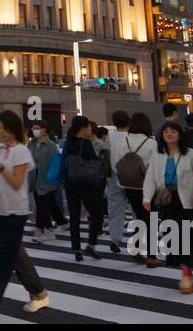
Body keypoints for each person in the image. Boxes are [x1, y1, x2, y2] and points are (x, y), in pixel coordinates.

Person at [0, 110, 48, 318]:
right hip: (0, 208)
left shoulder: (21, 151)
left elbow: (17, 182)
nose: (1, 133)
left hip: (17, 211)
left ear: (15, 130)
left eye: (5, 129)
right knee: (15, 255)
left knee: (4, 261)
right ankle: (39, 292)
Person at [144, 121, 193, 294]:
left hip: (186, 199)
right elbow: (151, 177)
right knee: (171, 236)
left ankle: (186, 273)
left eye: (173, 131)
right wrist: (147, 197)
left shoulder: (189, 153)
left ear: (179, 134)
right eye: (165, 131)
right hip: (166, 200)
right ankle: (186, 270)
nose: (169, 134)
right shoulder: (157, 154)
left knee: (185, 236)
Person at [115, 111, 158, 263]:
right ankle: (152, 257)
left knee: (141, 217)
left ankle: (136, 247)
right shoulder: (152, 143)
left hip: (128, 185)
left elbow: (117, 165)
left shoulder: (123, 141)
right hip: (146, 186)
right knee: (150, 219)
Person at [61, 116, 106, 260]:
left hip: (70, 181)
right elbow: (95, 161)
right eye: (88, 127)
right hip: (85, 183)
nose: (90, 129)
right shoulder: (85, 143)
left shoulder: (68, 142)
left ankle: (77, 250)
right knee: (97, 212)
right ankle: (91, 244)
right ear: (83, 128)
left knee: (74, 216)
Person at [29, 121, 64, 243]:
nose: (34, 130)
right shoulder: (31, 144)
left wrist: (55, 180)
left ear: (44, 129)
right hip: (34, 178)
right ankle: (56, 225)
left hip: (47, 178)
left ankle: (41, 229)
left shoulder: (51, 146)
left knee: (42, 205)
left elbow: (56, 164)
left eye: (37, 128)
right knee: (46, 203)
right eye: (33, 128)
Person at [104, 110, 133, 252]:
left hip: (115, 175)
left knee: (115, 209)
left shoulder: (110, 137)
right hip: (132, 176)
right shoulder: (132, 137)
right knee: (136, 208)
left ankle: (115, 239)